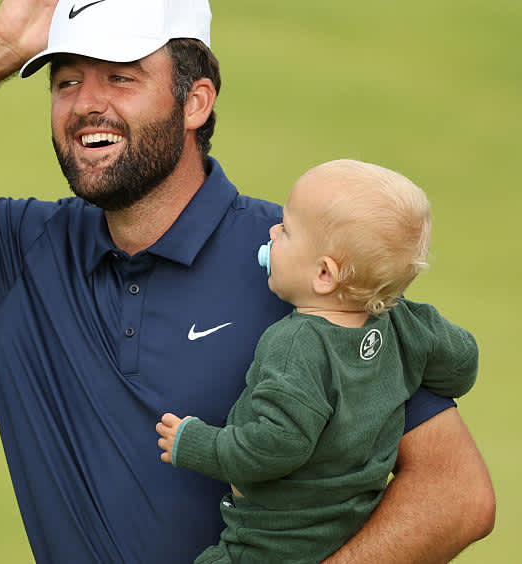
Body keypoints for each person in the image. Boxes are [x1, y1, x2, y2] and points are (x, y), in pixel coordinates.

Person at [0, 0, 494, 564]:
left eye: (121, 77)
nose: (86, 104)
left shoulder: (304, 265)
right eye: (66, 80)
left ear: (195, 102)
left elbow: (455, 493)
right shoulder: (14, 255)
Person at [156, 159, 479, 563]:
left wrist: (196, 443)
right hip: (351, 526)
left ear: (324, 275)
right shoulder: (406, 324)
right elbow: (462, 365)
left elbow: (273, 447)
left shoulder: (296, 344)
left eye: (286, 230)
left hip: (270, 546)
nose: (272, 231)